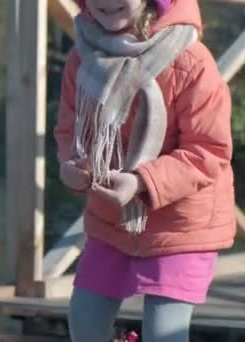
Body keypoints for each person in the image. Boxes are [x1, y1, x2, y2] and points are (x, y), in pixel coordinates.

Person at [53, 0, 236, 341]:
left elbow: (209, 150)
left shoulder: (191, 61)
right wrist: (71, 166)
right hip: (112, 220)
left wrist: (141, 181)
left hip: (183, 224)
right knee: (85, 321)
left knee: (165, 331)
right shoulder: (83, 57)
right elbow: (69, 130)